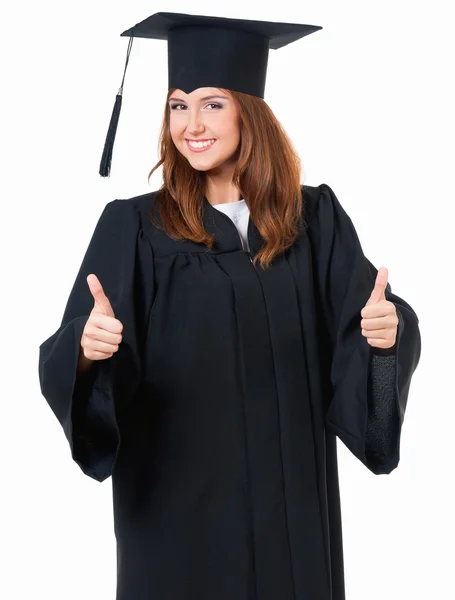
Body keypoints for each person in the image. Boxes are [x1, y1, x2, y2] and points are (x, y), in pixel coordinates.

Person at [38, 11, 421, 600]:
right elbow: (77, 356)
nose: (191, 123)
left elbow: (365, 328)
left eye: (212, 104)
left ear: (251, 110)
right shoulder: (134, 227)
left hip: (291, 511)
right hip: (178, 515)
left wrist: (386, 333)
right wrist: (87, 353)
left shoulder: (314, 220)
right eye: (177, 105)